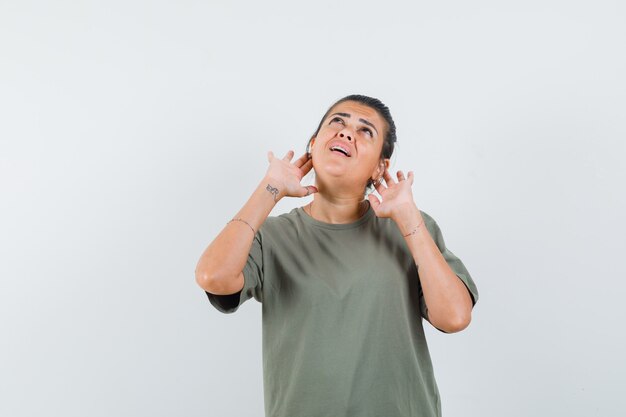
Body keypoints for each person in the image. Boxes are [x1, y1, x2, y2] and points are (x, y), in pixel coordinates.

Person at [195, 94, 479, 417]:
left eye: (365, 131)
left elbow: (455, 317)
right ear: (313, 146)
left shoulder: (411, 229)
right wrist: (270, 188)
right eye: (337, 122)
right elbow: (212, 277)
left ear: (380, 168)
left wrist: (410, 220)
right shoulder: (271, 238)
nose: (346, 133)